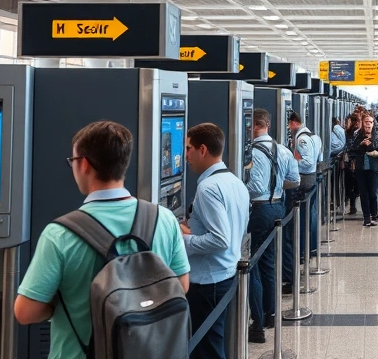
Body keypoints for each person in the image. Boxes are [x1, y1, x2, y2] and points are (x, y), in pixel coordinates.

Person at [14, 121, 190, 359]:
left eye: (73, 161)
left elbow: (25, 312)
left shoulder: (60, 234)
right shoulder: (164, 219)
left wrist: (69, 304)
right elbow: (181, 285)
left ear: (84, 164)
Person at [181, 123, 250, 359]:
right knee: (213, 344)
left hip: (207, 282)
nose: (186, 155)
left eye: (188, 148)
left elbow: (220, 239)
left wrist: (183, 240)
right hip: (225, 274)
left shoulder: (208, 188)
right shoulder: (234, 181)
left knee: (205, 349)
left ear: (202, 149)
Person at [245, 110, 297, 342]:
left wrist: (237, 192)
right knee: (267, 262)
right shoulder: (283, 150)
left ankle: (257, 321)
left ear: (255, 126)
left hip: (259, 209)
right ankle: (271, 312)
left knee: (252, 264)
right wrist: (276, 189)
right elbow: (294, 179)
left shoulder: (253, 152)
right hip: (278, 206)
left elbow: (254, 186)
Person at [283, 112, 318, 295]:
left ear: (293, 123)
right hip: (309, 180)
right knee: (307, 219)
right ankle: (307, 250)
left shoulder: (302, 139)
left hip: (303, 181)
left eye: (288, 124)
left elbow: (307, 162)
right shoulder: (311, 135)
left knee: (300, 221)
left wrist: (292, 161)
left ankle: (302, 253)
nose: (288, 128)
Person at [349, 113, 378, 227]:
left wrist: (373, 146)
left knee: (373, 192)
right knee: (363, 193)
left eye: (370, 122)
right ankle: (366, 217)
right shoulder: (357, 135)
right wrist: (360, 146)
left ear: (373, 124)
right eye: (366, 122)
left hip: (374, 167)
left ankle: (373, 214)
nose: (368, 124)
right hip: (361, 168)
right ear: (362, 123)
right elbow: (350, 150)